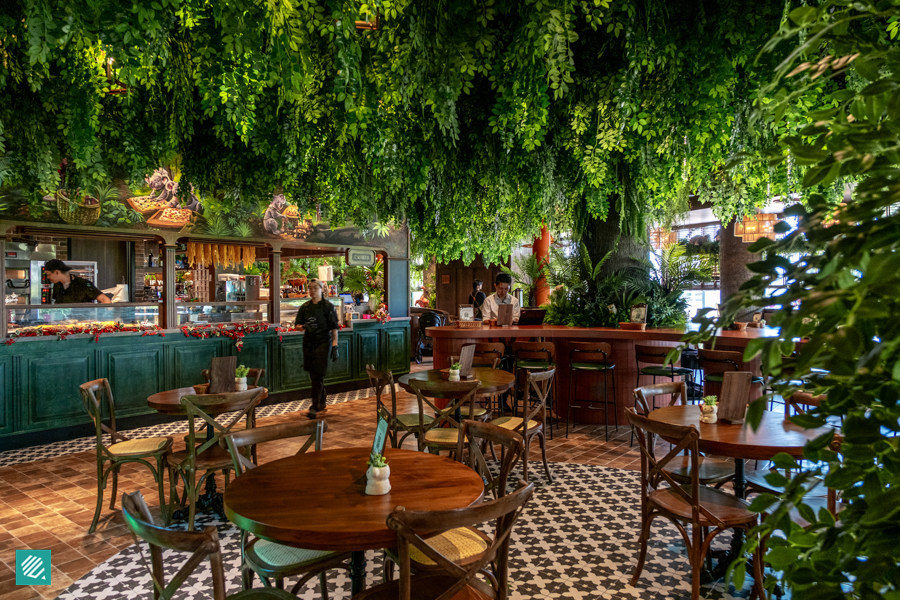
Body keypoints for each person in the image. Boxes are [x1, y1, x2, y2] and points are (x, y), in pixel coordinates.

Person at [296, 278, 340, 418]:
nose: (312, 290)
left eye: (315, 287)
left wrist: (335, 346)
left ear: (321, 289)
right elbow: (297, 325)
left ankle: (315, 406)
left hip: (323, 343)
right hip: (308, 343)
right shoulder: (305, 307)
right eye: (310, 288)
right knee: (314, 375)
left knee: (317, 374)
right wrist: (304, 327)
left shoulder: (328, 307)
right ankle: (321, 401)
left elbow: (334, 328)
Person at [46, 259, 110, 304]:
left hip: (83, 322)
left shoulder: (83, 284)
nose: (47, 277)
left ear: (57, 272)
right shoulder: (57, 285)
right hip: (63, 322)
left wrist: (103, 317)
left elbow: (105, 300)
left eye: (49, 274)